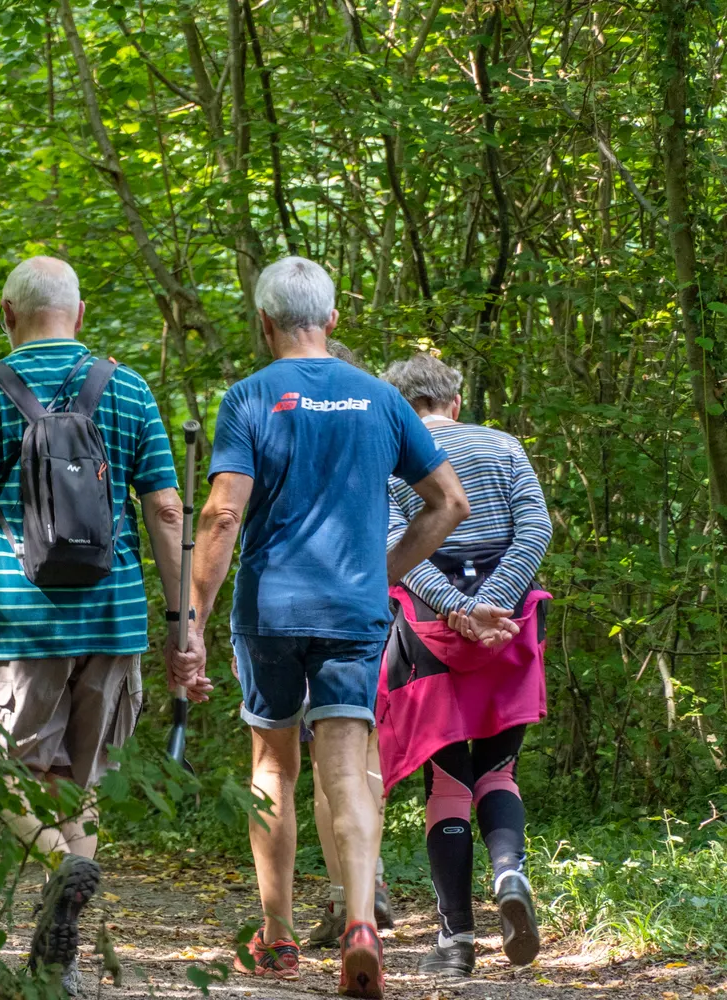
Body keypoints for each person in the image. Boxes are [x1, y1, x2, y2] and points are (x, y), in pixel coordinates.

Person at [173, 257, 470, 999]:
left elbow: (221, 513)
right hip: (353, 610)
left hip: (271, 608)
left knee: (274, 766)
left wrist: (193, 620)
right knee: (347, 765)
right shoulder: (379, 397)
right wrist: (386, 569)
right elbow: (449, 503)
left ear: (264, 322)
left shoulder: (250, 397)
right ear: (332, 320)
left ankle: (275, 939)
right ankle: (361, 923)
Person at [0, 256, 194, 995]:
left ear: (8, 315)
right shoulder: (128, 388)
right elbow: (167, 512)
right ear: (78, 316)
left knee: (5, 774)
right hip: (113, 622)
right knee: (83, 781)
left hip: (17, 625)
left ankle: (57, 861)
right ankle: (63, 961)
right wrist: (182, 626)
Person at [379, 352, 553, 977]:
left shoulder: (394, 457)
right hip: (510, 634)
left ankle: (455, 945)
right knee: (499, 774)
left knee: (447, 785)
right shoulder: (504, 446)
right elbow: (535, 531)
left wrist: (455, 611)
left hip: (428, 634)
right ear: (454, 401)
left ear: (400, 407)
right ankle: (510, 873)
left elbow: (398, 546)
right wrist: (494, 606)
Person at [305, 339, 395, 949]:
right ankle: (374, 883)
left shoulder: (283, 424)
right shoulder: (376, 426)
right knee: (365, 750)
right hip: (371, 605)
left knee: (323, 764)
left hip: (303, 603)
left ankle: (347, 898)